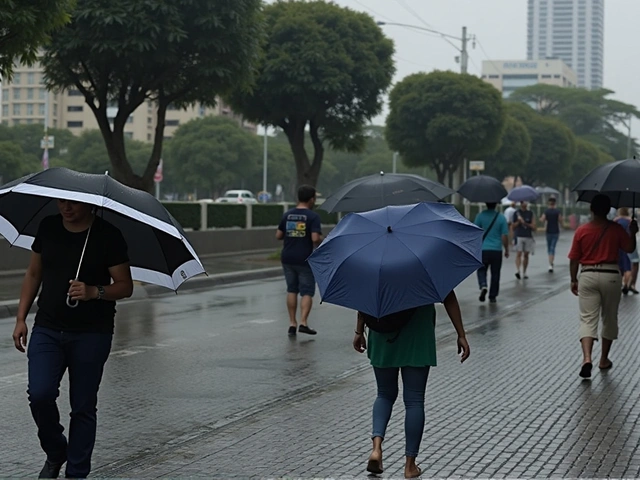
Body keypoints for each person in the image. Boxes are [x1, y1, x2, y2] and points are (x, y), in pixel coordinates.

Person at [11, 199, 133, 479]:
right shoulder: (49, 227)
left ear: (89, 205)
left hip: (92, 333)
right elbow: (33, 273)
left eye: (73, 204)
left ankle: (77, 473)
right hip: (48, 328)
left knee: (82, 407)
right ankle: (56, 452)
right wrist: (21, 318)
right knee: (40, 395)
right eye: (61, 202)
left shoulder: (107, 235)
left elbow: (125, 286)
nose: (66, 208)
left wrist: (94, 291)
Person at [353, 291, 470, 479]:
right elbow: (448, 295)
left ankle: (376, 449)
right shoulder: (428, 261)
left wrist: (359, 331)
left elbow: (365, 297)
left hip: (382, 331)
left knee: (384, 394)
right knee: (414, 400)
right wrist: (461, 334)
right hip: (418, 331)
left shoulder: (376, 261)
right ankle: (410, 465)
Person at [568, 194, 637, 379]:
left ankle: (587, 358)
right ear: (608, 210)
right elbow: (629, 249)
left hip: (588, 275)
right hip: (611, 276)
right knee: (609, 318)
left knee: (588, 319)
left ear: (592, 209)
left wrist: (574, 279)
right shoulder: (616, 229)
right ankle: (604, 359)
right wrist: (633, 232)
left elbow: (574, 258)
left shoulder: (582, 231)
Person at [276, 185, 323, 336]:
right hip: (305, 258)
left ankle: (292, 323)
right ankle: (303, 322)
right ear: (311, 199)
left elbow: (278, 235)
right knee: (307, 291)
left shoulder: (287, 215)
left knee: (291, 289)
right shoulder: (313, 216)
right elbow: (315, 239)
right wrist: (323, 241)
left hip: (287, 257)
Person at [474, 203, 509, 303]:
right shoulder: (501, 218)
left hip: (483, 249)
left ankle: (483, 285)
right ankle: (492, 296)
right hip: (496, 250)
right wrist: (506, 249)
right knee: (495, 273)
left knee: (481, 270)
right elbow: (504, 236)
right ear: (496, 204)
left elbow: (475, 232)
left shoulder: (480, 216)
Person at [513, 201, 536, 279]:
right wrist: (518, 222)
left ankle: (524, 271)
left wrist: (525, 223)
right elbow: (513, 226)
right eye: (523, 202)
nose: (524, 204)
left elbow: (534, 227)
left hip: (528, 236)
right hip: (519, 235)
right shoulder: (516, 213)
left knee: (526, 254)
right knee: (519, 253)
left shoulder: (530, 213)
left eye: (526, 202)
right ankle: (517, 270)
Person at [540, 197, 563, 273]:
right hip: (556, 231)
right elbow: (560, 220)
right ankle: (551, 263)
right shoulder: (557, 211)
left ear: (549, 203)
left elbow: (542, 219)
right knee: (553, 247)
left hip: (548, 231)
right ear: (555, 203)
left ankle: (550, 263)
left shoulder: (546, 211)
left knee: (549, 247)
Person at [614, 208, 634, 294]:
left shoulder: (616, 221)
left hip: (617, 247)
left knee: (619, 267)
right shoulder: (630, 221)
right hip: (627, 245)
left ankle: (619, 284)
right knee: (627, 267)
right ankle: (626, 285)